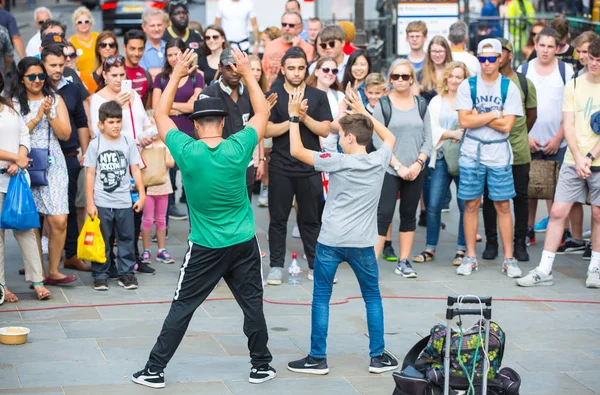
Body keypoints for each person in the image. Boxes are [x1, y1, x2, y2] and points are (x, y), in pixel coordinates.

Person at [132, 47, 276, 388]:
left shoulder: (187, 150)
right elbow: (260, 112)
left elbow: (161, 115)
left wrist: (177, 74)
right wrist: (247, 71)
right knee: (252, 306)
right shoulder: (238, 146)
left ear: (195, 125)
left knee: (183, 306)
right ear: (224, 122)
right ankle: (261, 365)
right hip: (243, 242)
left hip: (206, 247)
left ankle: (154, 370)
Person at [286, 85, 399, 375]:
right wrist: (363, 112)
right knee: (372, 297)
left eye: (341, 136)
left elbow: (296, 150)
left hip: (330, 241)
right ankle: (377, 357)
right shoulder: (379, 159)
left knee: (321, 297)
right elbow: (390, 137)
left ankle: (317, 357)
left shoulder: (336, 161)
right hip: (362, 243)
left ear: (349, 137)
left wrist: (294, 118)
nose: (339, 139)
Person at [518, 38, 600, 289]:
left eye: (599, 60)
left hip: (594, 160)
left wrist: (589, 157)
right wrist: (577, 156)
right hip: (573, 160)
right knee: (556, 212)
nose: (594, 63)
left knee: (598, 214)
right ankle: (544, 269)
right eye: (592, 59)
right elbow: (569, 124)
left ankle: (595, 268)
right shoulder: (574, 84)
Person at [455, 38, 523, 277]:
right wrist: (496, 113)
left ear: (500, 59)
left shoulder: (509, 87)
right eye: (482, 59)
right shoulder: (467, 86)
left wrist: (480, 115)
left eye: (491, 59)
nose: (486, 63)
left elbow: (507, 126)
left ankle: (509, 258)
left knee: (503, 205)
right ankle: (470, 257)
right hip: (472, 153)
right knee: (471, 203)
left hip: (498, 153)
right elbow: (464, 121)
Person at [264, 47, 332, 285]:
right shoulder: (272, 95)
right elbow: (265, 130)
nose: (296, 73)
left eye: (300, 68)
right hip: (281, 166)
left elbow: (325, 129)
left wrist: (303, 118)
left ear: (306, 69)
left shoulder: (317, 96)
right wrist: (291, 119)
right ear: (282, 69)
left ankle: (315, 265)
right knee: (278, 219)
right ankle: (275, 267)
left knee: (311, 220)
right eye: (291, 68)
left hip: (310, 166)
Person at [90, 56, 156, 276]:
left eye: (122, 75)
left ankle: (133, 259)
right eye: (114, 75)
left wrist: (148, 134)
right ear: (105, 75)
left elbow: (144, 121)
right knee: (109, 218)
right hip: (112, 163)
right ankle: (108, 264)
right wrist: (116, 104)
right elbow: (94, 130)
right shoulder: (98, 99)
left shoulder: (134, 95)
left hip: (137, 158)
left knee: (133, 213)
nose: (119, 80)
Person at [10, 57, 73, 285]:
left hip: (52, 163)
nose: (37, 80)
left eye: (40, 76)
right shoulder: (14, 103)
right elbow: (15, 133)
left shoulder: (54, 99)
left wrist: (49, 114)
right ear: (22, 78)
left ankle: (54, 270)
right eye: (32, 77)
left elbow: (65, 134)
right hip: (24, 162)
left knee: (59, 219)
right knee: (31, 221)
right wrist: (37, 117)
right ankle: (37, 272)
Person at [517, 28, 576, 249]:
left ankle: (561, 231)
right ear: (535, 44)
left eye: (551, 46)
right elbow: (518, 108)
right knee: (529, 188)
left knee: (559, 190)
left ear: (558, 48)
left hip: (558, 141)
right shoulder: (524, 70)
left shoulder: (566, 71)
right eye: (542, 45)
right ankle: (528, 229)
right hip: (530, 139)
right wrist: (527, 135)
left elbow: (571, 108)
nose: (545, 50)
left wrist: (559, 137)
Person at [372, 59, 432, 278]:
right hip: (390, 168)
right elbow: (378, 140)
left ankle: (404, 261)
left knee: (409, 214)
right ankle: (372, 262)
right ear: (390, 79)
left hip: (415, 169)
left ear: (411, 79)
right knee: (383, 214)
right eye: (395, 76)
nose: (400, 80)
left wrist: (418, 163)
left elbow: (428, 138)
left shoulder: (421, 104)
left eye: (404, 76)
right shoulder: (383, 105)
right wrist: (398, 165)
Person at [482, 38, 537, 263]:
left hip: (518, 149)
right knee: (490, 198)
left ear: (509, 55)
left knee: (521, 197)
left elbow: (531, 115)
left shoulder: (523, 83)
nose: (498, 57)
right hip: (491, 149)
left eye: (501, 52)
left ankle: (519, 243)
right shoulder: (485, 83)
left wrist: (518, 133)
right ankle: (491, 242)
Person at [0, 71, 51, 303]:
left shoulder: (8, 106)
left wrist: (20, 156)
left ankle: (38, 281)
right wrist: (15, 158)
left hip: (16, 180)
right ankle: (2, 286)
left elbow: (24, 134)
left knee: (27, 231)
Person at [84, 100, 145, 291]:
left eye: (118, 121)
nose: (116, 125)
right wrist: (90, 202)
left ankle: (126, 273)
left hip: (124, 201)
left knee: (127, 237)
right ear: (101, 124)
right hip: (102, 201)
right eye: (111, 122)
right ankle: (100, 274)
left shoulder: (128, 142)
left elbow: (135, 169)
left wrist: (142, 194)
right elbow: (90, 173)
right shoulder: (95, 144)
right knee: (103, 238)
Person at [42, 44, 91, 273]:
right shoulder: (34, 87)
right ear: (43, 64)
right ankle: (36, 261)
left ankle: (70, 254)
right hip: (40, 157)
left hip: (69, 155)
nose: (58, 69)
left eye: (61, 64)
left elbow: (81, 121)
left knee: (68, 208)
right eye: (53, 65)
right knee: (40, 212)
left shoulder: (71, 89)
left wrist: (85, 153)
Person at [414, 62, 468, 267]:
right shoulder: (437, 101)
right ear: (445, 78)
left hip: (464, 158)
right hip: (442, 157)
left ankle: (462, 249)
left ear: (465, 80)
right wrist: (452, 133)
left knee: (465, 205)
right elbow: (430, 128)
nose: (454, 80)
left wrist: (459, 134)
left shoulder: (469, 100)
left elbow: (470, 125)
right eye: (451, 76)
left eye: (459, 77)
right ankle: (430, 247)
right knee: (434, 204)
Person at [202, 47, 264, 201]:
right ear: (220, 68)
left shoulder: (250, 94)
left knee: (244, 214)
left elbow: (259, 126)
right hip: (218, 167)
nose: (235, 71)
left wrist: (261, 159)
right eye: (229, 67)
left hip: (245, 166)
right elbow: (200, 134)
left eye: (237, 66)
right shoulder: (209, 94)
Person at [153, 38, 205, 219]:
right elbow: (156, 108)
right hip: (168, 136)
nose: (174, 58)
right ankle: (164, 219)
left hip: (191, 135)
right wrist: (181, 106)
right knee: (167, 180)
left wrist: (169, 106)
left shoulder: (196, 76)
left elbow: (194, 107)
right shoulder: (161, 78)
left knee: (192, 179)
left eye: (177, 53)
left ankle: (194, 217)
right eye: (169, 55)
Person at [141, 139, 175, 265]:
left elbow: (171, 163)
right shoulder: (143, 145)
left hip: (163, 186)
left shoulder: (165, 145)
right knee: (147, 219)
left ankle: (162, 249)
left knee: (161, 219)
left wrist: (161, 157)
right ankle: (146, 250)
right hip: (148, 187)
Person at [262, 11, 315, 87]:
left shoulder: (308, 48)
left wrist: (295, 48)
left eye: (291, 25)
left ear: (300, 28)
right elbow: (263, 72)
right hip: (271, 92)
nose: (287, 28)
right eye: (284, 25)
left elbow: (304, 75)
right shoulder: (270, 45)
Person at [306, 56, 344, 154]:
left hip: (332, 153)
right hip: (308, 152)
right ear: (316, 72)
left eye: (334, 71)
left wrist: (316, 120)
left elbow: (341, 127)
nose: (330, 73)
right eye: (326, 70)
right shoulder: (305, 94)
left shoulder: (339, 96)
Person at [419, 35, 453, 104]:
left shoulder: (454, 73)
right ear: (429, 52)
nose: (437, 55)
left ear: (447, 52)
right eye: (434, 51)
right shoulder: (420, 75)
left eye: (440, 51)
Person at [123, 29, 153, 108]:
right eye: (132, 49)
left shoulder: (146, 76)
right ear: (124, 48)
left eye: (140, 49)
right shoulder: (116, 73)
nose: (136, 53)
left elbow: (147, 108)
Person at [69, 7, 97, 79]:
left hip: (99, 79)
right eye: (79, 22)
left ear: (91, 22)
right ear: (75, 25)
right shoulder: (70, 42)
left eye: (86, 21)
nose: (83, 24)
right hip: (81, 81)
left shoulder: (98, 37)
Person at [140, 9, 168, 78]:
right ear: (144, 27)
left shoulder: (170, 46)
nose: (156, 29)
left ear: (164, 26)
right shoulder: (140, 50)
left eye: (159, 25)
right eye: (152, 26)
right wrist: (170, 71)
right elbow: (144, 76)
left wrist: (153, 72)